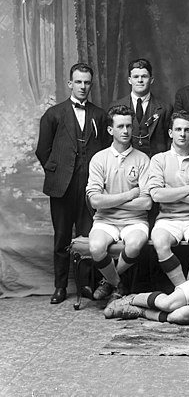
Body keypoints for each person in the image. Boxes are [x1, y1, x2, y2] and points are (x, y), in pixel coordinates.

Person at [35, 62, 110, 304]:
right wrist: (58, 170)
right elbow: (42, 150)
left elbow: (106, 150)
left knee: (88, 236)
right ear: (70, 84)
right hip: (63, 185)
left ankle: (86, 285)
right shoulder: (54, 114)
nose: (83, 86)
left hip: (89, 185)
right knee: (62, 237)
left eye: (87, 82)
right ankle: (59, 287)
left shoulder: (99, 114)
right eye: (78, 82)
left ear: (91, 85)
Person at [86, 105, 152, 300]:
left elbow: (146, 203)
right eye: (121, 126)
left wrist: (110, 200)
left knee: (135, 244)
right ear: (110, 130)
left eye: (129, 126)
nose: (125, 131)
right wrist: (130, 194)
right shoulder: (99, 159)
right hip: (105, 220)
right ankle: (117, 283)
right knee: (96, 247)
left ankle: (108, 282)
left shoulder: (142, 159)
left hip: (135, 221)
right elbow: (95, 201)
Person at [147, 111, 189, 287]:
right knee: (160, 241)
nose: (182, 134)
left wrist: (171, 193)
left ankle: (186, 293)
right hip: (167, 219)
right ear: (171, 133)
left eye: (187, 130)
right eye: (178, 129)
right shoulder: (158, 160)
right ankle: (184, 291)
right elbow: (156, 195)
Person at [109, 58, 172, 158]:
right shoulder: (115, 107)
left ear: (151, 80)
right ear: (129, 80)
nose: (140, 80)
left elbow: (169, 142)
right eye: (136, 77)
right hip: (125, 162)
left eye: (144, 76)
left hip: (155, 164)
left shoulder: (165, 108)